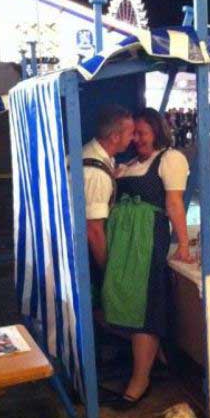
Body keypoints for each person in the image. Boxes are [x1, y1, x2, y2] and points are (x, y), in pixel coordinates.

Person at [102, 108, 193, 409]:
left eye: (142, 133)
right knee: (126, 301)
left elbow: (174, 203)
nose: (137, 139)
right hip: (124, 243)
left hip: (147, 240)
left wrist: (183, 244)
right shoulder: (130, 164)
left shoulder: (170, 159)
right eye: (134, 134)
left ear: (157, 131)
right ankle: (156, 360)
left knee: (145, 309)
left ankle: (139, 381)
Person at [83, 104, 135, 292]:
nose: (133, 138)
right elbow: (93, 230)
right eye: (130, 133)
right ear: (114, 137)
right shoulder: (97, 174)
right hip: (83, 255)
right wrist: (109, 274)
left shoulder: (92, 154)